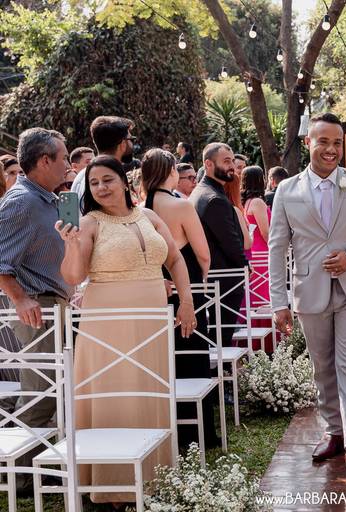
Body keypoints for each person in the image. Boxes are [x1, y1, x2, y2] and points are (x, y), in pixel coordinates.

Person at [56, 155, 196, 504]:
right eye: (94, 183)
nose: (101, 188)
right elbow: (73, 276)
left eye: (107, 180)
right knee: (114, 395)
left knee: (150, 391)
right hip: (108, 323)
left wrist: (186, 301)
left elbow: (175, 259)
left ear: (123, 181)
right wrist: (70, 244)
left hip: (152, 319)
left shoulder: (149, 216)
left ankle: (155, 476)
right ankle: (114, 485)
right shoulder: (88, 223)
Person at [269, 113, 346, 470]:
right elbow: (277, 248)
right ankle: (333, 433)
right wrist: (278, 302)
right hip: (310, 290)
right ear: (308, 142)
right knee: (322, 367)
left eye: (337, 143)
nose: (331, 149)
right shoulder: (287, 190)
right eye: (323, 141)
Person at [0, 129, 72, 466]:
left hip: (56, 304)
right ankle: (22, 476)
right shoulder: (22, 201)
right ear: (44, 161)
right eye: (64, 158)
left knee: (52, 393)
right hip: (37, 308)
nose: (68, 165)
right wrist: (20, 298)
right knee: (39, 397)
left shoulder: (51, 199)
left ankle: (41, 467)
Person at [140, 148, 218, 450]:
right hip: (187, 291)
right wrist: (201, 280)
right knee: (192, 358)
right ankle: (197, 434)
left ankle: (165, 429)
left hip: (154, 293)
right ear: (171, 171)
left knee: (163, 362)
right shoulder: (180, 206)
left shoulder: (139, 209)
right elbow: (203, 253)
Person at [190, 143, 248, 347]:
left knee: (218, 340)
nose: (231, 166)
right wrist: (245, 265)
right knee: (220, 342)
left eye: (232, 161)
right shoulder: (213, 198)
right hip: (223, 280)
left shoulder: (203, 192)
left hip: (216, 279)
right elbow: (230, 242)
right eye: (226, 161)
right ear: (208, 164)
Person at [71, 116, 136, 199]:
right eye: (131, 139)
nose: (132, 144)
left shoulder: (84, 175)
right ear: (123, 144)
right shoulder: (108, 179)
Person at [242, 166, 270, 307]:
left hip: (254, 252)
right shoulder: (257, 202)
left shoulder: (246, 202)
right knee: (263, 295)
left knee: (256, 293)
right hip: (263, 253)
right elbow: (265, 232)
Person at [223, 172, 253, 254]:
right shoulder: (235, 210)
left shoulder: (221, 208)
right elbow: (247, 244)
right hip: (242, 256)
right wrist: (251, 234)